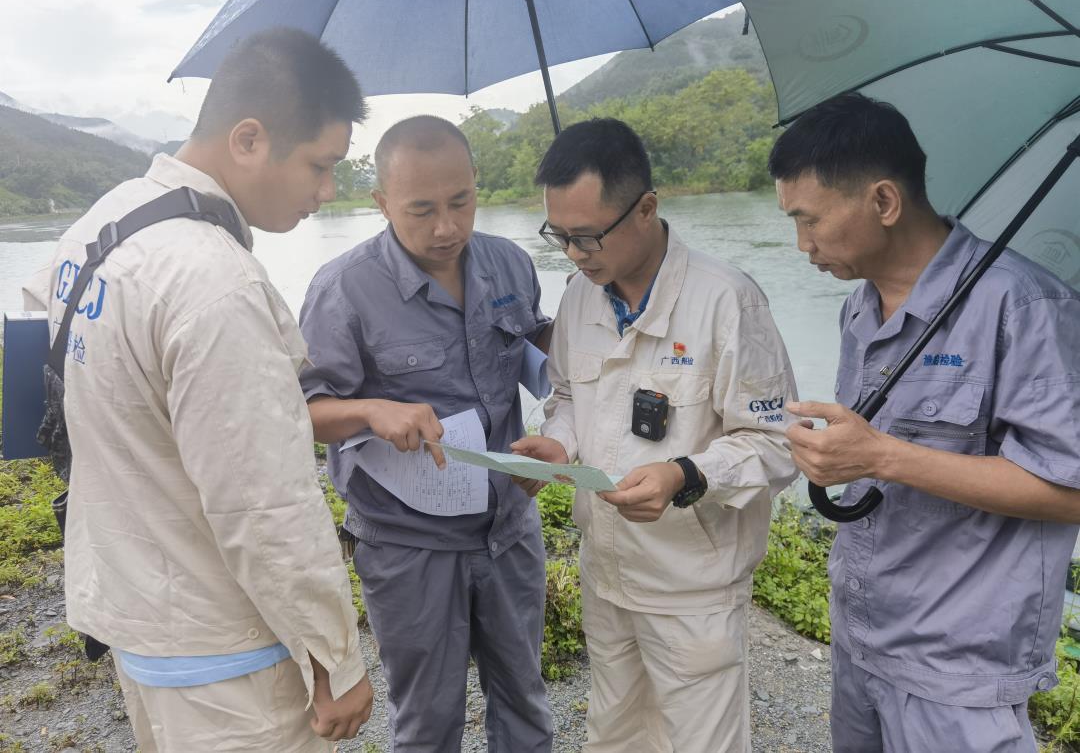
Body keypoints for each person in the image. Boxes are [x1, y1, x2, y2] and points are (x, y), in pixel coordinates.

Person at [21, 28, 373, 752]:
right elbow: (265, 504)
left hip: (141, 626)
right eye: (320, 164)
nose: (327, 191)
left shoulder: (96, 231)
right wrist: (336, 658)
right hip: (230, 663)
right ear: (249, 139)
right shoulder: (217, 283)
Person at [770, 92, 1080, 753]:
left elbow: (1070, 491)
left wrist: (882, 456)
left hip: (958, 670)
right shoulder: (860, 308)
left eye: (809, 220)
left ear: (884, 202)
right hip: (861, 638)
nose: (802, 245)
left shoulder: (1023, 307)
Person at [512, 118, 798, 753]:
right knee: (615, 733)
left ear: (646, 207)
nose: (575, 254)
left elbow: (778, 444)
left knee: (699, 741)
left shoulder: (727, 301)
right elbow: (566, 398)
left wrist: (685, 476)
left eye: (588, 237)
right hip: (606, 571)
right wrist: (558, 446)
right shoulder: (580, 298)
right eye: (560, 237)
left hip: (692, 584)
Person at [297, 115, 554, 753]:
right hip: (409, 547)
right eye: (422, 210)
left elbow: (538, 353)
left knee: (525, 700)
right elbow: (300, 409)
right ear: (381, 203)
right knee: (427, 720)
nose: (447, 228)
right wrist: (370, 410)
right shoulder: (343, 290)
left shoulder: (510, 264)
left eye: (461, 202)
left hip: (509, 531)